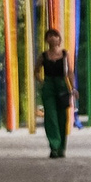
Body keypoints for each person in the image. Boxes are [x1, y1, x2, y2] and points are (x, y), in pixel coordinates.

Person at [37, 28, 72, 159]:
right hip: (49, 85)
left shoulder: (64, 54)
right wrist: (42, 82)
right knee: (51, 116)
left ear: (59, 39)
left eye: (55, 36)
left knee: (62, 117)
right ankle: (54, 146)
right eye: (50, 36)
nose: (52, 38)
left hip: (62, 85)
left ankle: (62, 147)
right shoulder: (43, 55)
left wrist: (73, 88)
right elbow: (36, 70)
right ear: (46, 40)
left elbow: (70, 72)